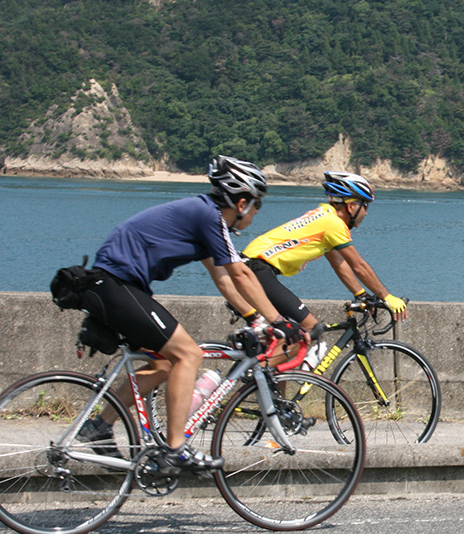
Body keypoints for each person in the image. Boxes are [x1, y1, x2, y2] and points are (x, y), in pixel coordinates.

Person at [77, 156, 305, 472]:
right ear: (240, 203)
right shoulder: (209, 217)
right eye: (256, 206)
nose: (255, 214)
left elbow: (223, 278)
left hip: (116, 286)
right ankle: (176, 449)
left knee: (165, 364)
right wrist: (280, 322)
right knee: (189, 355)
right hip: (117, 285)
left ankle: (100, 426)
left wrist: (255, 318)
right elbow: (240, 274)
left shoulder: (204, 217)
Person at [233, 171, 407, 367]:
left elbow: (338, 262)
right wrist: (386, 296)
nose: (366, 213)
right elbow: (358, 265)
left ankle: (274, 396)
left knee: (284, 339)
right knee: (309, 329)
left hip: (252, 267)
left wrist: (361, 294)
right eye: (364, 206)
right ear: (351, 206)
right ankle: (252, 376)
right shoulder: (334, 224)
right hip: (257, 270)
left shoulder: (324, 216)